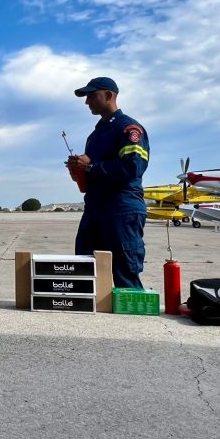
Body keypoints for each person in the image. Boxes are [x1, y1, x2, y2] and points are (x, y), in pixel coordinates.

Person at [66, 77, 150, 288]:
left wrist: (91, 167)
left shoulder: (128, 129)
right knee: (85, 268)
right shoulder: (95, 135)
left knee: (125, 273)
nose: (87, 102)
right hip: (95, 208)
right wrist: (79, 172)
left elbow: (133, 167)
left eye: (92, 96)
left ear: (109, 95)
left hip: (121, 208)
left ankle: (132, 321)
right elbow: (92, 171)